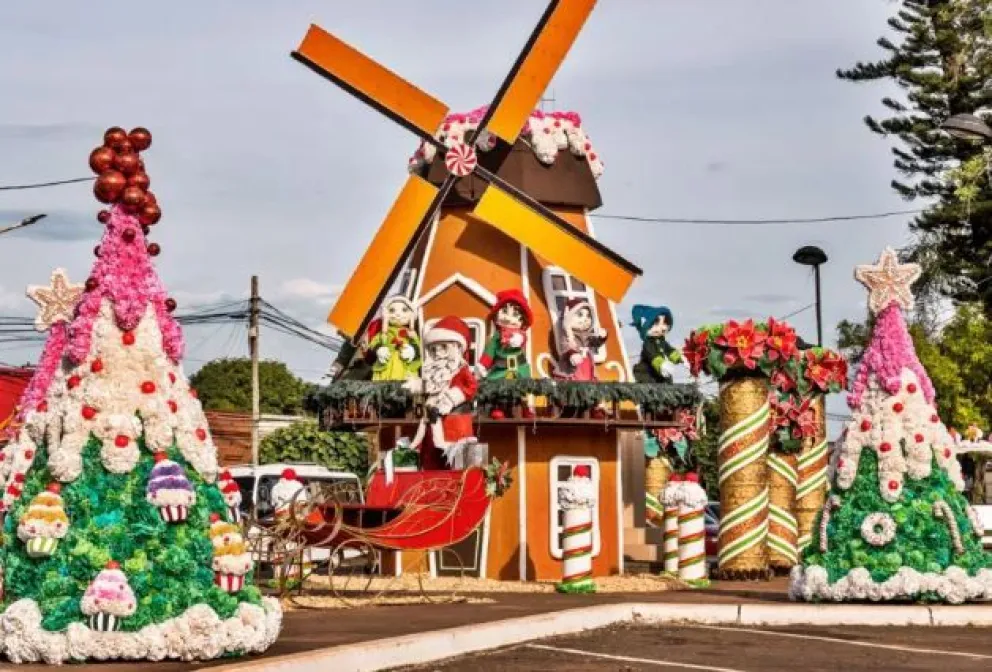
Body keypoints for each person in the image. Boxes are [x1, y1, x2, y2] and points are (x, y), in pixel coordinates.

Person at [404, 316, 479, 470]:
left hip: (456, 427)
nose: (438, 353)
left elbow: (471, 387)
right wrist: (418, 390)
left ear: (457, 348)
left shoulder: (461, 371)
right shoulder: (430, 374)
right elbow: (421, 406)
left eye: (443, 347)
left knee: (462, 470)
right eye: (433, 348)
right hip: (431, 429)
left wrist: (451, 399)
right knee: (431, 467)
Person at [553, 297, 607, 381]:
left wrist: (601, 338)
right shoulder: (567, 335)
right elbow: (565, 346)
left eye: (588, 316)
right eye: (580, 315)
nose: (585, 319)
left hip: (586, 366)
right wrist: (572, 354)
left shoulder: (586, 336)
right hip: (572, 369)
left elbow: (593, 344)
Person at [368, 295, 421, 381]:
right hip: (385, 369)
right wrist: (378, 349)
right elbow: (374, 343)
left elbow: (418, 346)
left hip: (404, 369)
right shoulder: (383, 334)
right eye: (392, 310)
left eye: (404, 310)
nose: (398, 314)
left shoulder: (411, 334)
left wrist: (413, 350)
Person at [631, 304, 681, 383]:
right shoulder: (648, 343)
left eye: (665, 323)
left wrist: (679, 358)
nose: (662, 327)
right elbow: (652, 355)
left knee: (667, 377)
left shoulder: (662, 341)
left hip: (658, 371)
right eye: (657, 323)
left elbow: (669, 350)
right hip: (646, 371)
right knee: (651, 379)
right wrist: (661, 364)